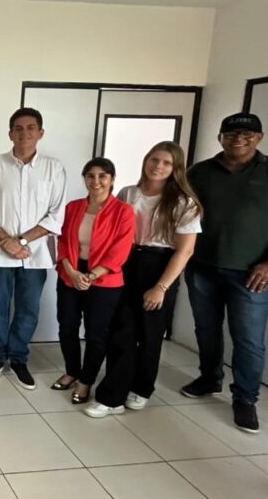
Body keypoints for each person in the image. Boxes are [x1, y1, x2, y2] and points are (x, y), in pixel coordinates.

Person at [182, 113, 268, 433]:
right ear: (220, 137)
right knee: (206, 329)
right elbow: (179, 212)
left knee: (248, 340)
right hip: (202, 267)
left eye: (247, 133)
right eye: (230, 133)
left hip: (252, 274)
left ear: (259, 137)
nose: (238, 139)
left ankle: (245, 398)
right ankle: (210, 378)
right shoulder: (200, 172)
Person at [85, 142, 201, 418]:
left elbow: (185, 250)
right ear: (146, 160)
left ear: (176, 168)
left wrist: (161, 287)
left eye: (166, 163)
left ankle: (142, 388)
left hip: (160, 265)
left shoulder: (184, 202)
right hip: (126, 262)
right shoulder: (128, 193)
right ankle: (111, 397)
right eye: (154, 159)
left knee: (150, 334)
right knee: (121, 331)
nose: (158, 166)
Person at [0, 108, 66, 388]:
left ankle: (18, 358)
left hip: (35, 254)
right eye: (18, 128)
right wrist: (7, 241)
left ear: (41, 133)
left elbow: (56, 215)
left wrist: (22, 241)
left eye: (30, 128)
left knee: (28, 309)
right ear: (10, 133)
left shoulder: (53, 168)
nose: (24, 133)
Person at [53, 157, 134, 405]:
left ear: (112, 179)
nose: (96, 181)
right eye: (90, 176)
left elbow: (120, 250)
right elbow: (62, 241)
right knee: (67, 326)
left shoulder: (123, 211)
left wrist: (91, 276)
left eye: (102, 176)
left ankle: (86, 380)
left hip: (104, 279)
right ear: (84, 179)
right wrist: (72, 272)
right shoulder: (73, 207)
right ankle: (72, 371)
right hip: (71, 273)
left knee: (96, 334)